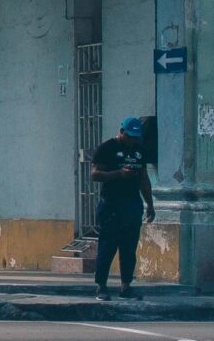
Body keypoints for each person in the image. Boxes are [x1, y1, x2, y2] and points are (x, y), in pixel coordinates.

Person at [90, 117, 157, 298]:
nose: (133, 140)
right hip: (111, 203)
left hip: (132, 204)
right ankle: (101, 286)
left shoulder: (139, 150)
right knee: (108, 245)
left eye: (136, 137)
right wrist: (119, 174)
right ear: (121, 132)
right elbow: (95, 174)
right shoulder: (107, 148)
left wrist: (149, 203)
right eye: (130, 136)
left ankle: (126, 285)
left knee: (129, 247)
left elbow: (144, 178)